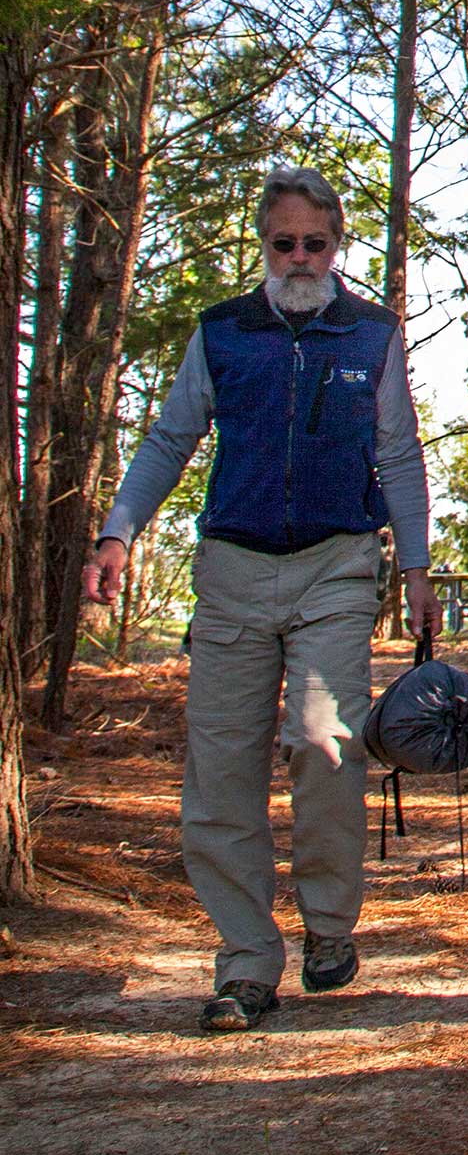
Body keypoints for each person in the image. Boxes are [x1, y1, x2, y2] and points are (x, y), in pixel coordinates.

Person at [83, 166, 443, 1032]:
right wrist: (118, 532)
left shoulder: (372, 336)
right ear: (264, 245)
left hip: (337, 569)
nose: (299, 258)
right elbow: (169, 440)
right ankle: (245, 962)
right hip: (233, 573)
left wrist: (419, 569)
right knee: (221, 775)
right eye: (284, 243)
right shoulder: (223, 334)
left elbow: (399, 456)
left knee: (324, 746)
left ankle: (328, 929)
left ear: (337, 247)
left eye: (315, 244)